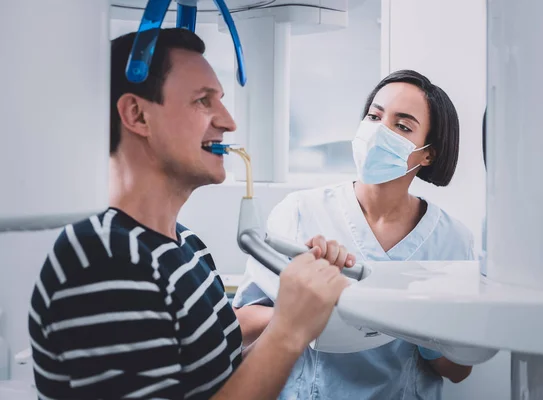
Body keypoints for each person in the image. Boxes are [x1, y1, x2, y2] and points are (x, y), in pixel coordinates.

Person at [27, 28, 352, 400]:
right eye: (202, 101)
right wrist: (289, 331)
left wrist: (304, 307)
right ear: (137, 115)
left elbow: (215, 380)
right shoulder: (103, 261)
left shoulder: (185, 244)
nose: (229, 121)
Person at [233, 70, 475, 399]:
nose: (379, 132)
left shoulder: (451, 240)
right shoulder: (300, 211)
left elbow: (460, 370)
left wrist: (422, 329)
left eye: (402, 126)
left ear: (428, 153)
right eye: (374, 116)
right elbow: (241, 325)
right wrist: (307, 308)